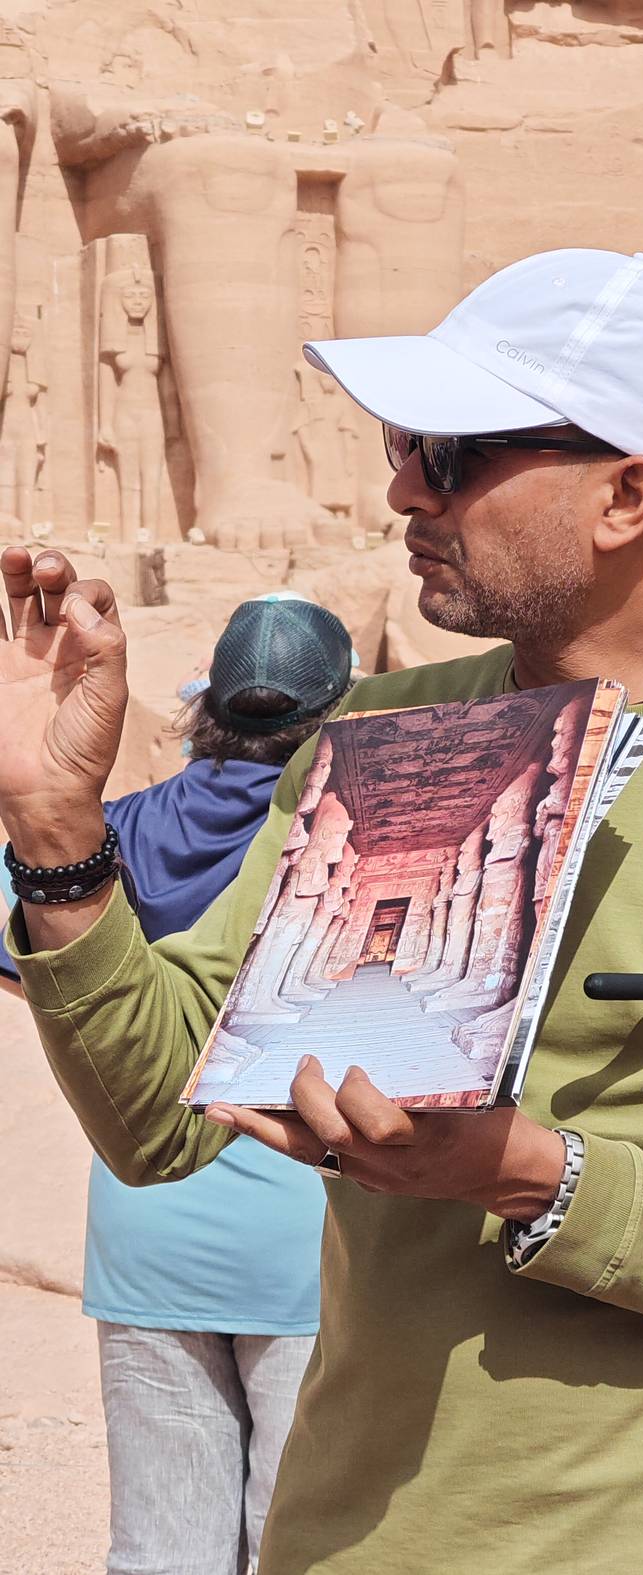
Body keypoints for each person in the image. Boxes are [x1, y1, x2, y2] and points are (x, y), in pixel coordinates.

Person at [3, 248, 643, 1574]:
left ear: (629, 493)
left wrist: (526, 1173)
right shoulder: (395, 728)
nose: (400, 486)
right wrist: (58, 834)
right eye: (404, 443)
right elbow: (164, 1113)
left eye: (448, 452)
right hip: (350, 1535)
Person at [0, 594, 355, 1575]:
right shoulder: (358, 841)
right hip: (316, 1249)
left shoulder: (109, 837)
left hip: (149, 1231)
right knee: (305, 1548)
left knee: (161, 1554)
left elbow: (39, 959)